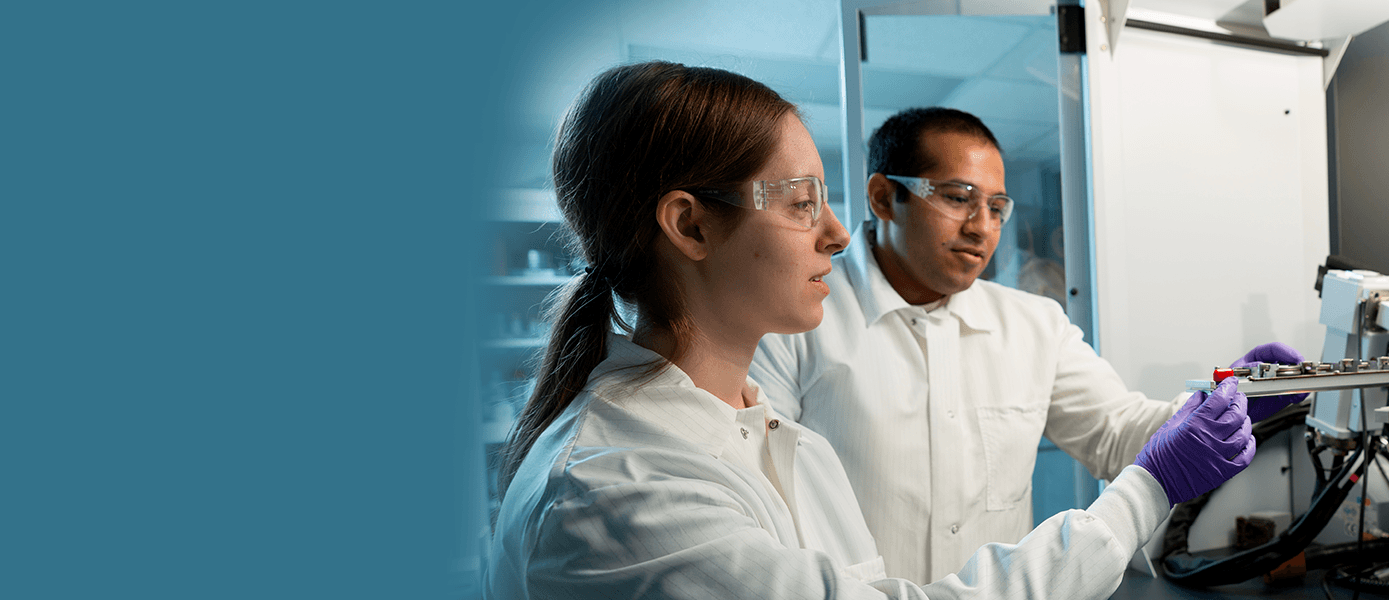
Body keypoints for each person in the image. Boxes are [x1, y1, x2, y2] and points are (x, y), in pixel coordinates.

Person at [483, 61, 1262, 599]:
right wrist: (1147, 491)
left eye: (996, 206)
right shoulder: (620, 493)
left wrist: (1237, 398)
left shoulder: (768, 429)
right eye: (798, 202)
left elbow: (1125, 428)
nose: (834, 233)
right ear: (689, 225)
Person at [750, 107, 1309, 581]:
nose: (981, 227)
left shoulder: (1034, 325)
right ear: (882, 198)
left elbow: (1117, 434)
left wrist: (1219, 403)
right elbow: (767, 504)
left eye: (996, 207)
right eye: (958, 197)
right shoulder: (795, 319)